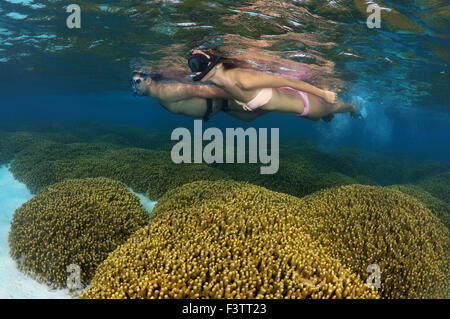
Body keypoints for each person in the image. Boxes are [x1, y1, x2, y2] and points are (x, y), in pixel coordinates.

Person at [188, 49, 360, 122]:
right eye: (193, 65)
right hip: (292, 100)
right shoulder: (224, 83)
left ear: (217, 65)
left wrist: (323, 94)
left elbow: (288, 81)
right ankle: (330, 97)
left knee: (337, 107)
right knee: (319, 116)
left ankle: (353, 107)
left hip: (309, 105)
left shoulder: (242, 79)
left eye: (199, 63)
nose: (195, 70)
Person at [131, 71, 268, 122]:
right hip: (220, 107)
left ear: (148, 80)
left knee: (260, 105)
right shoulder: (160, 94)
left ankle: (279, 98)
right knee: (249, 118)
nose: (133, 86)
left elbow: (205, 91)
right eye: (132, 83)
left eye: (136, 82)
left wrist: (244, 96)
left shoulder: (168, 90)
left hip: (223, 101)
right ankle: (275, 100)